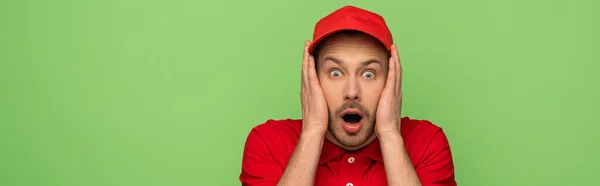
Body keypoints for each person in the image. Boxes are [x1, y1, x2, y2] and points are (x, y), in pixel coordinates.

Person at [239, 5, 456, 186]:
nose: (352, 92)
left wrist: (390, 134)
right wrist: (313, 132)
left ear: (391, 81)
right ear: (311, 79)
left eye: (368, 73)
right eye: (335, 73)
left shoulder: (427, 143)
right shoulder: (268, 143)